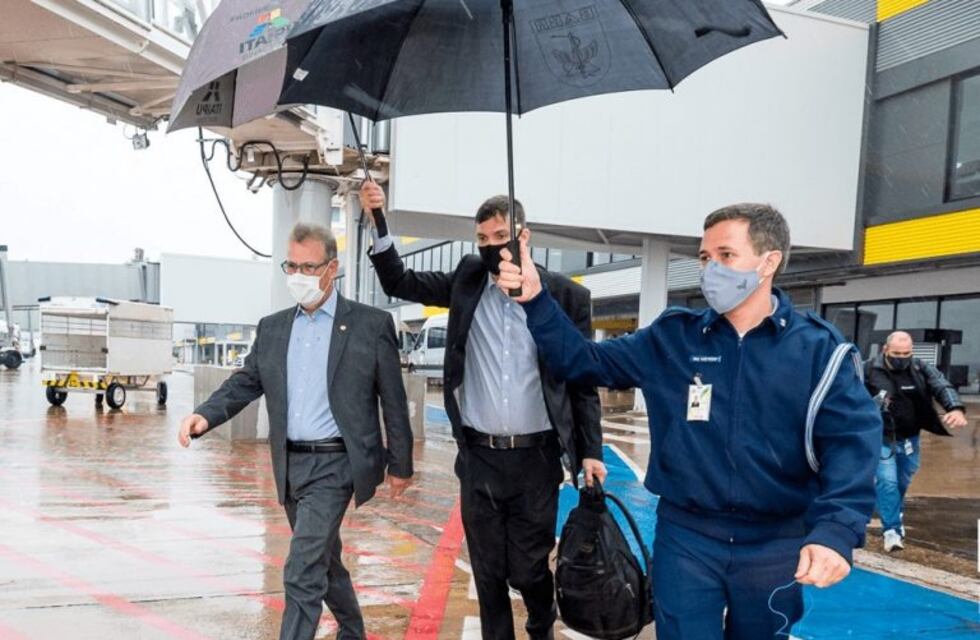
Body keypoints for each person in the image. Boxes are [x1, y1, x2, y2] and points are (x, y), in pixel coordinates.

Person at [496, 203, 881, 640]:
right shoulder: (673, 337)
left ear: (769, 261)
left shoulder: (819, 351)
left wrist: (836, 530)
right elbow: (581, 360)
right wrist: (536, 299)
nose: (710, 269)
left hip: (775, 542)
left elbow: (852, 444)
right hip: (687, 537)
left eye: (726, 255)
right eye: (704, 257)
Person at [361, 182, 606, 640]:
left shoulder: (565, 297)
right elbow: (398, 281)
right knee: (489, 573)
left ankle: (540, 620)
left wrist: (591, 449)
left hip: (537, 459)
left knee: (528, 568)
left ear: (524, 237)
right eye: (482, 239)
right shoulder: (467, 280)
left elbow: (582, 381)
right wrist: (377, 217)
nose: (491, 247)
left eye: (500, 236)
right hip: (479, 458)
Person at [177, 223, 414, 640]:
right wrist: (206, 415)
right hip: (290, 464)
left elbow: (393, 400)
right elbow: (246, 381)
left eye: (308, 267)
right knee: (324, 558)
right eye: (291, 266)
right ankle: (352, 630)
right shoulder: (273, 328)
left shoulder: (370, 324)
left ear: (332, 269)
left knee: (302, 569)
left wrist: (401, 464)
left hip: (337, 464)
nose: (298, 276)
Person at [864, 331, 968, 552]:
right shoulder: (868, 370)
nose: (902, 358)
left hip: (909, 438)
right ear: (885, 350)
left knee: (901, 481)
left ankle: (893, 511)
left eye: (906, 353)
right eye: (897, 354)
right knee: (887, 482)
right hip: (881, 437)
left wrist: (955, 408)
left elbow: (941, 386)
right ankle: (892, 531)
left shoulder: (920, 368)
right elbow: (848, 394)